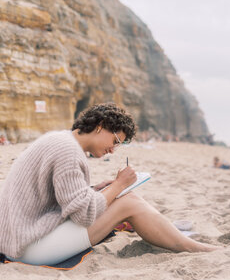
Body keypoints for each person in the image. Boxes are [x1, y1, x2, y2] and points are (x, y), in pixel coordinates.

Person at [0, 103, 217, 266]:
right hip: (27, 246)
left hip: (18, 237)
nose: (113, 150)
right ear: (100, 126)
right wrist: (119, 185)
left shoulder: (61, 141)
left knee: (122, 197)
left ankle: (177, 237)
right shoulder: (67, 151)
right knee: (128, 202)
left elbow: (60, 195)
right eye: (115, 141)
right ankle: (191, 246)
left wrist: (97, 189)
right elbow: (83, 215)